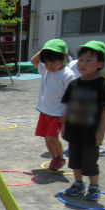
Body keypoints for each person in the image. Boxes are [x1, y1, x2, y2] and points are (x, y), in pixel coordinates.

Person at [61, 41, 105, 201]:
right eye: (81, 59)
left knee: (90, 162)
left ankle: (94, 186)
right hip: (74, 129)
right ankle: (78, 183)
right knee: (75, 160)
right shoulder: (74, 84)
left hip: (91, 132)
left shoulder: (102, 84)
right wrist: (63, 125)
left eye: (89, 60)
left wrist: (100, 130)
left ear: (100, 64)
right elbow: (68, 106)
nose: (83, 63)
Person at [30, 39, 76, 170]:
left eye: (53, 63)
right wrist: (45, 50)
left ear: (65, 57)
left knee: (51, 137)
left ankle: (60, 157)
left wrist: (66, 116)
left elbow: (73, 97)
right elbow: (33, 61)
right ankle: (54, 157)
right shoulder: (46, 70)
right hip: (45, 111)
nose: (49, 66)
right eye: (46, 62)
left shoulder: (68, 75)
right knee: (46, 137)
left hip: (59, 113)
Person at [68, 57, 105, 153]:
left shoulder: (91, 64)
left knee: (100, 117)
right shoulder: (72, 64)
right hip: (78, 96)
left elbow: (99, 73)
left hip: (90, 95)